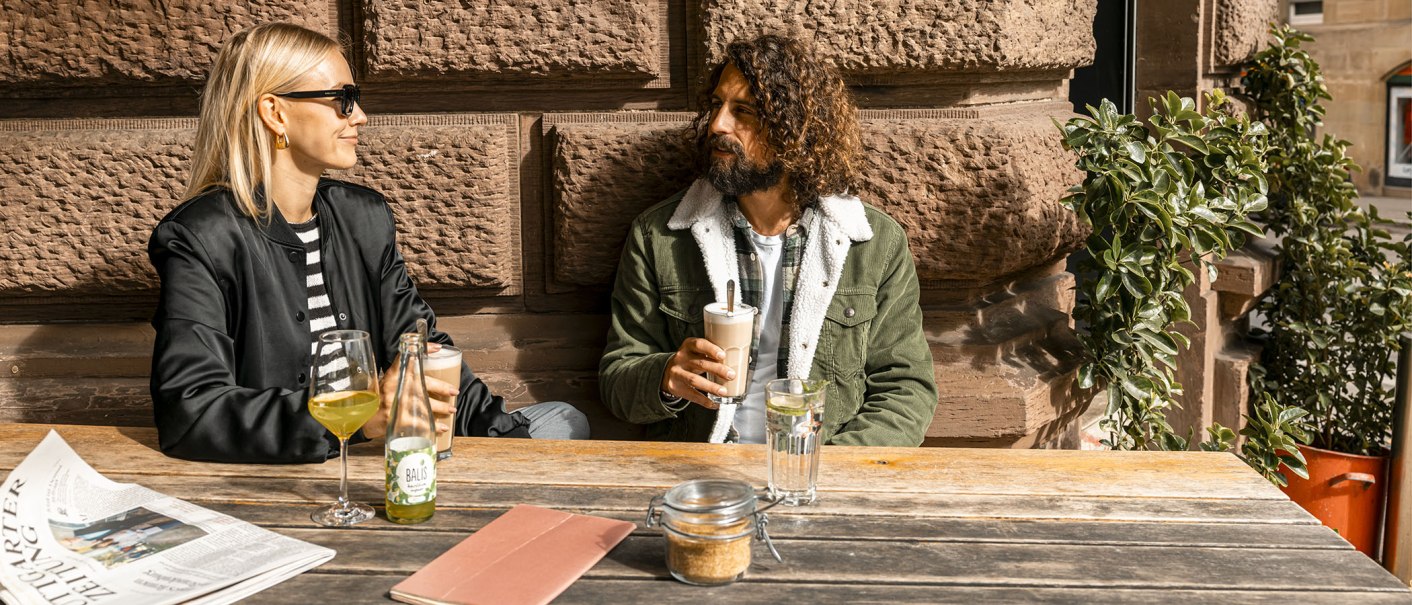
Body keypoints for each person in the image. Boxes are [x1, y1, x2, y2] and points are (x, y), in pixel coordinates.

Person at [149, 23, 588, 464]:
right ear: (275, 112)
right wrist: (358, 418)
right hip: (294, 464)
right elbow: (192, 412)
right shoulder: (201, 237)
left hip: (392, 445)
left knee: (562, 421)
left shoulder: (363, 217)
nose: (359, 116)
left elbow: (418, 346)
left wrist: (508, 446)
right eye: (342, 100)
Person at [599, 34, 938, 446]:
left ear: (794, 131)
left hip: (820, 474)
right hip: (703, 471)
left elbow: (906, 391)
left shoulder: (873, 244)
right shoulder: (660, 236)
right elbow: (618, 379)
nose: (717, 125)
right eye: (717, 106)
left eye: (744, 112)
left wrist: (828, 468)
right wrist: (666, 376)